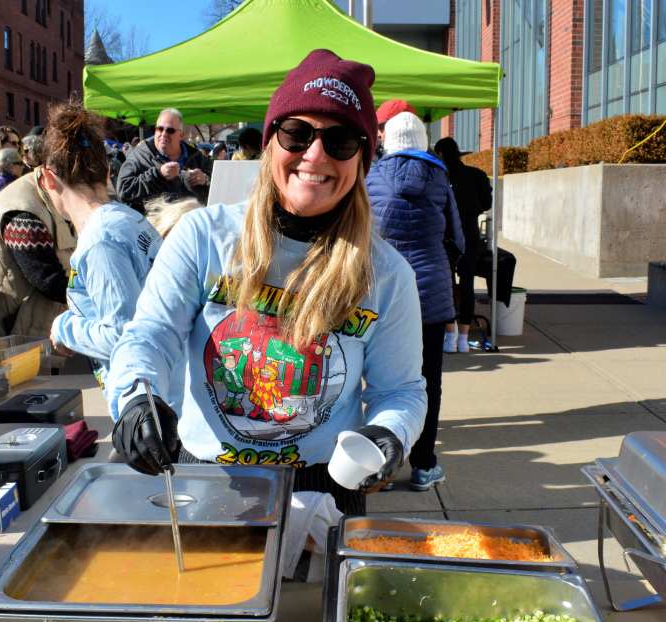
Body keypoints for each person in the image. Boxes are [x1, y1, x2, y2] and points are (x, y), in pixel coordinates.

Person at [106, 49, 426, 516]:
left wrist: (389, 435)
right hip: (209, 475)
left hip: (326, 485)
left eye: (339, 141)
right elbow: (151, 335)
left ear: (361, 159)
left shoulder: (387, 273)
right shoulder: (203, 238)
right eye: (297, 133)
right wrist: (137, 399)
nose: (314, 154)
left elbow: (400, 391)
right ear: (271, 142)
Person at [367, 112, 464, 492]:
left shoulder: (371, 176)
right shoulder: (440, 177)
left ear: (386, 139)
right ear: (423, 140)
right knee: (428, 383)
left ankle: (382, 465)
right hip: (430, 294)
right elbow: (457, 237)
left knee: (378, 381)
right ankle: (424, 465)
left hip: (380, 293)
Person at [48, 104, 166, 389]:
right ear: (107, 171)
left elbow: (123, 335)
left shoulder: (101, 241)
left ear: (49, 179)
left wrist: (65, 329)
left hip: (145, 398)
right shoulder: (127, 219)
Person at [0, 114, 78, 351]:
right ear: (53, 176)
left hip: (19, 327)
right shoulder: (23, 210)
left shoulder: (57, 199)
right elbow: (47, 279)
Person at [434, 137, 493, 352]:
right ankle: (464, 338)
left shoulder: (438, 177)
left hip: (446, 235)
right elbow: (486, 203)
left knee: (447, 285)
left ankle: (450, 337)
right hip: (470, 234)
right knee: (467, 284)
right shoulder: (477, 175)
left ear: (439, 154)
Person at [115, 108, 213, 213]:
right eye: (160, 129)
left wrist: (205, 180)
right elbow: (123, 192)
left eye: (170, 130)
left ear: (181, 135)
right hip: (155, 226)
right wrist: (158, 175)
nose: (164, 134)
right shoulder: (139, 156)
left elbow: (220, 187)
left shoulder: (197, 157)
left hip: (192, 225)